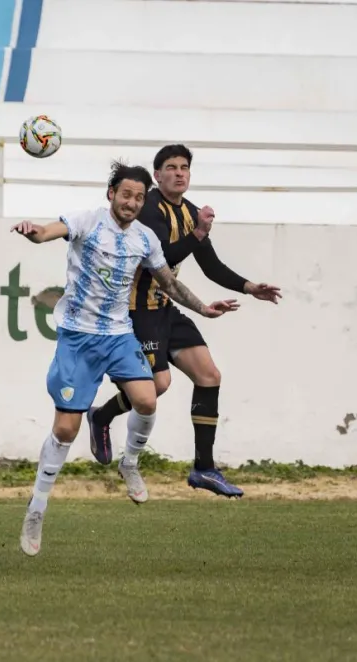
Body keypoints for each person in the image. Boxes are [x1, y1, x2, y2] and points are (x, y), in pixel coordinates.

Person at [13, 161, 239, 557]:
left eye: (137, 197)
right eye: (125, 195)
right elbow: (49, 232)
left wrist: (204, 308)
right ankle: (37, 509)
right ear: (111, 194)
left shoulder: (145, 239)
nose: (131, 203)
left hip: (118, 335)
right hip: (78, 338)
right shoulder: (88, 221)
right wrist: (34, 232)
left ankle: (129, 462)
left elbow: (169, 283)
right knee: (65, 430)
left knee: (148, 398)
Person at [87, 145, 282, 499]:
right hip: (135, 312)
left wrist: (250, 287)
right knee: (157, 386)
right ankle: (102, 417)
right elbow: (161, 258)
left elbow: (211, 265)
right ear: (157, 175)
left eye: (185, 167)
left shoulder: (191, 213)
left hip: (165, 309)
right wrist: (198, 234)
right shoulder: (148, 207)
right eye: (171, 167)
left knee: (209, 375)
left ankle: (204, 468)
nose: (179, 173)